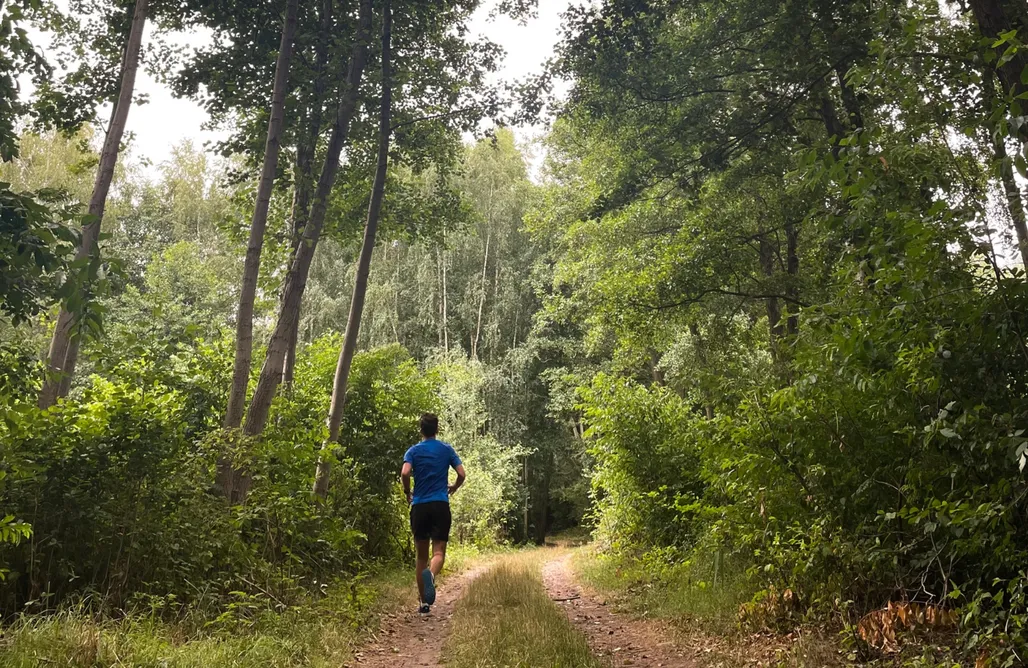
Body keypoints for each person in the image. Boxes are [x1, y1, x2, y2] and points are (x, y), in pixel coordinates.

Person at [401, 412, 465, 614]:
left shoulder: (413, 451)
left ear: (421, 430)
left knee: (421, 556)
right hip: (440, 504)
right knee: (438, 552)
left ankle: (424, 604)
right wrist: (454, 486)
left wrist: (407, 491)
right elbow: (462, 473)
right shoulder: (446, 449)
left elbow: (404, 472)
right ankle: (432, 574)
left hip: (419, 505)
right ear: (437, 429)